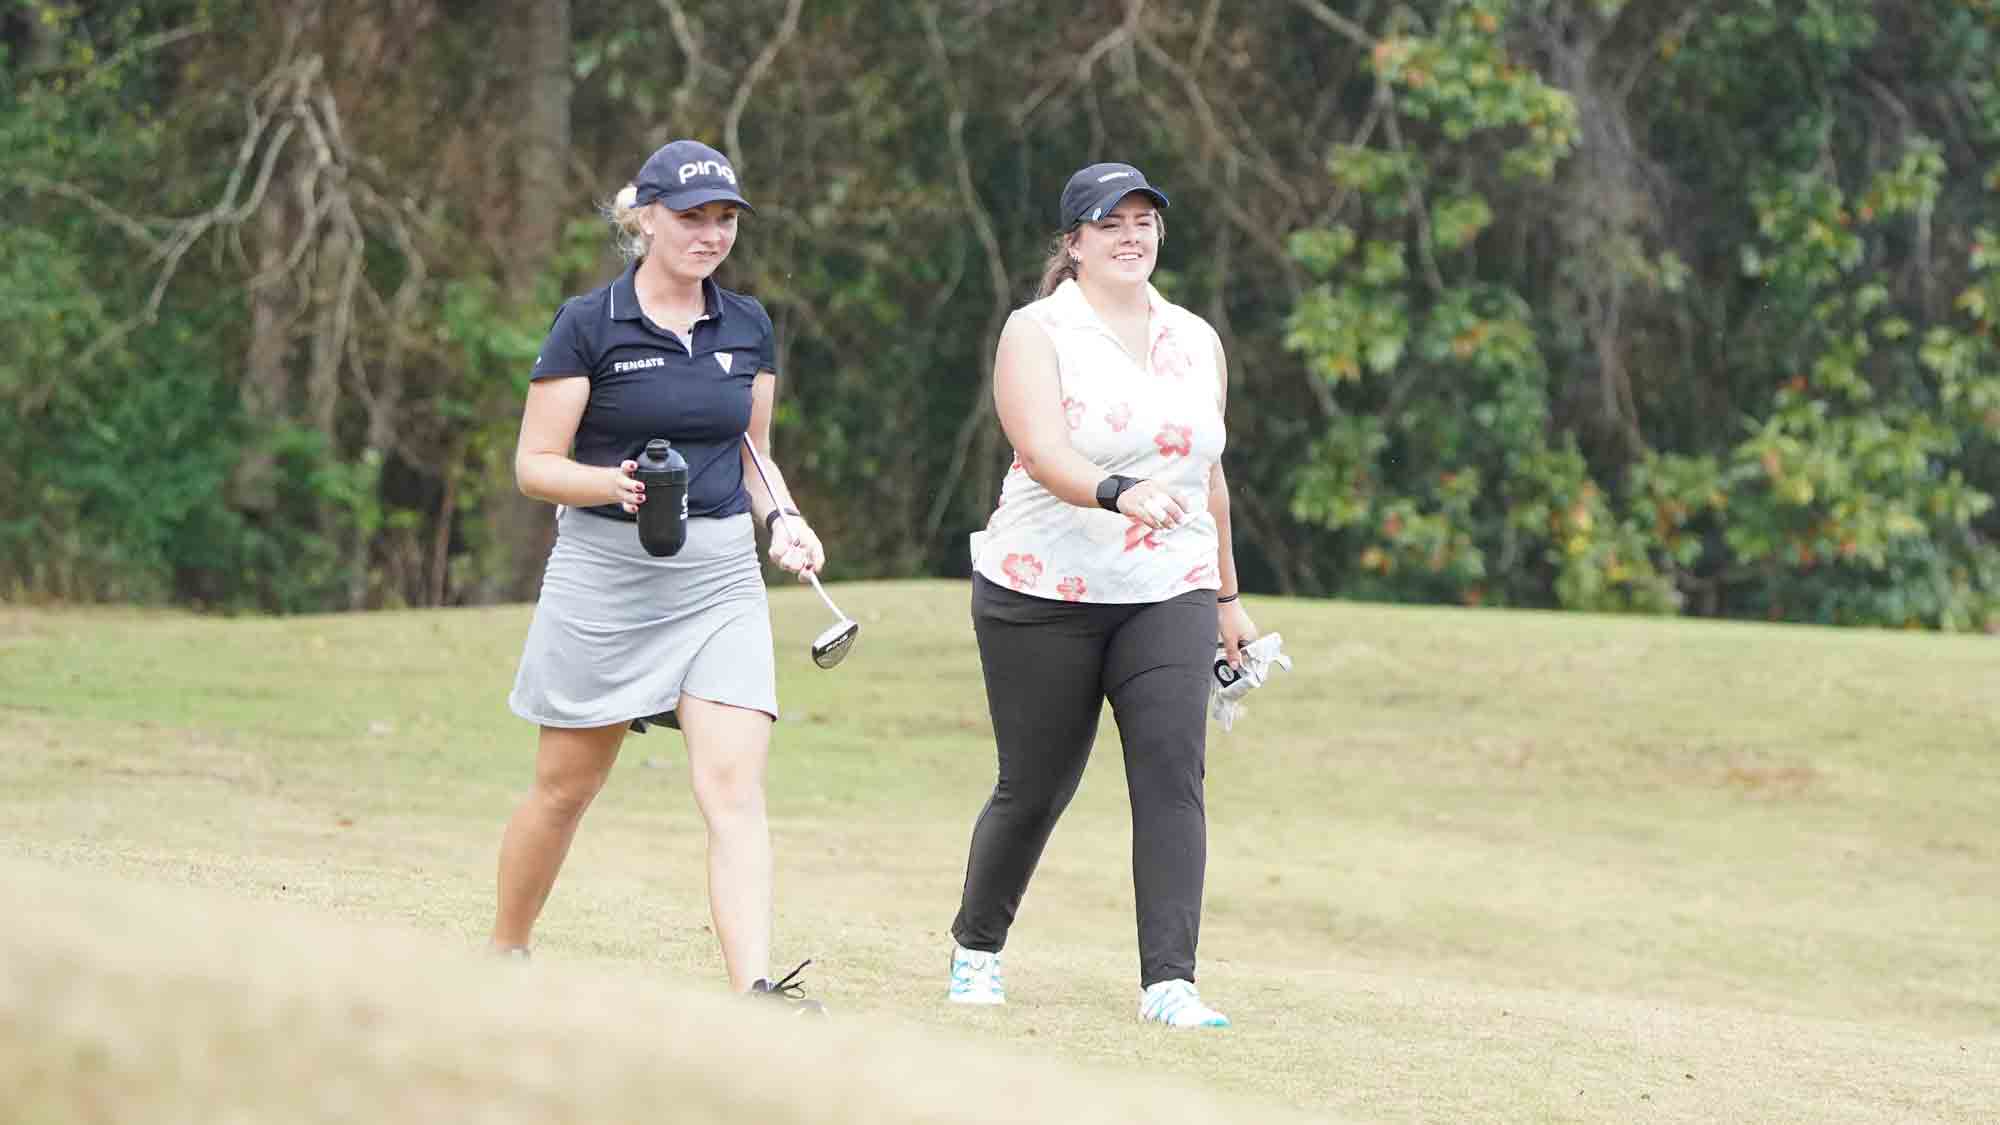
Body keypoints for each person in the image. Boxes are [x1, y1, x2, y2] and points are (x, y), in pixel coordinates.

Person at [491, 138, 826, 1014]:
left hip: (717, 576)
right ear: (644, 217)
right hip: (604, 572)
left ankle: (755, 988)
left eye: (724, 220)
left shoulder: (748, 325)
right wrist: (615, 484)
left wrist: (784, 521)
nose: (710, 234)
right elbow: (534, 465)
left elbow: (755, 456)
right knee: (565, 788)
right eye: (690, 217)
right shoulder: (588, 323)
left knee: (733, 788)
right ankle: (504, 949)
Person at [947, 162, 1258, 1028]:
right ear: (1074, 243)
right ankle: (976, 948)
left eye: (1144, 219)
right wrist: (1120, 491)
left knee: (1171, 773)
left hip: (1170, 583)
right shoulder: (1036, 331)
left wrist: (1227, 595)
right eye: (1108, 221)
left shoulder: (1196, 337)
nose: (1131, 234)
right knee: (1036, 783)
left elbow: (1210, 473)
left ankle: (1171, 981)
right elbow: (1043, 452)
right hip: (1044, 586)